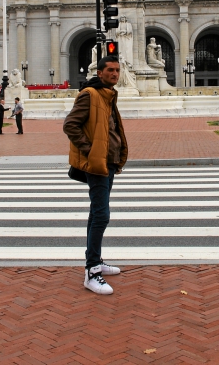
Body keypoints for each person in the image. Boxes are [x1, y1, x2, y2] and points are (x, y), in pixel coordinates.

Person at [63, 56, 129, 295]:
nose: (114, 73)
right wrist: (90, 150)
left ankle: (96, 260)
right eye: (110, 70)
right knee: (101, 215)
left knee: (96, 212)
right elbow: (70, 124)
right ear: (100, 73)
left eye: (117, 70)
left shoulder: (108, 96)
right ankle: (92, 271)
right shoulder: (90, 95)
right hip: (98, 163)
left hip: (108, 162)